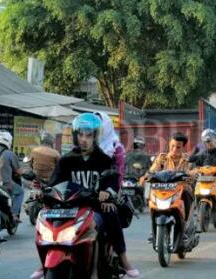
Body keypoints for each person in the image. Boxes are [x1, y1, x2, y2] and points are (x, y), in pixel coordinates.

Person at [32, 113, 139, 279]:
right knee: (44, 219)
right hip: (69, 206)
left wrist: (107, 194)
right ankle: (44, 260)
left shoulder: (103, 159)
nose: (84, 139)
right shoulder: (66, 160)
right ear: (75, 136)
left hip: (94, 206)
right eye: (81, 134)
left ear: (96, 136)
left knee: (110, 215)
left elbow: (111, 180)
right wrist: (42, 191)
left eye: (89, 135)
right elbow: (55, 183)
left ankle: (121, 261)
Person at [188, 129, 216, 207]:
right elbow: (195, 162)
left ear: (215, 140)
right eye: (207, 142)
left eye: (211, 141)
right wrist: (193, 169)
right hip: (203, 177)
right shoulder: (201, 153)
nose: (209, 143)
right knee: (192, 186)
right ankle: (195, 205)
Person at [0, 130, 24, 223]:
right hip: (4, 184)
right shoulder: (9, 154)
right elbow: (18, 171)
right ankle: (14, 215)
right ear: (8, 141)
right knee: (20, 192)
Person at [94, 111, 126, 188]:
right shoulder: (89, 144)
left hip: (108, 188)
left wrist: (117, 189)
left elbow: (120, 170)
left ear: (107, 125)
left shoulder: (116, 147)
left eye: (100, 123)